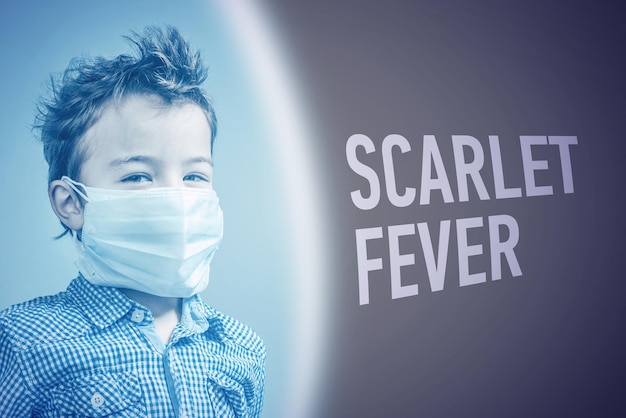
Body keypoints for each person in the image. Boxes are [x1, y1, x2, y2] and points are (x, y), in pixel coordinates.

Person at [0, 26, 265, 417]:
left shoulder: (242, 348)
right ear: (71, 203)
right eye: (137, 176)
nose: (176, 198)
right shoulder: (23, 340)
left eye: (194, 176)